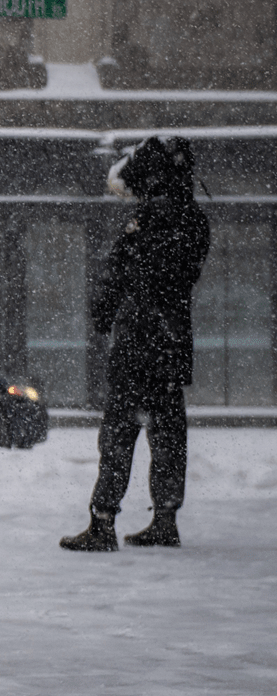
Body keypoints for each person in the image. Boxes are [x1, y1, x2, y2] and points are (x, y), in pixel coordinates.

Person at [62, 137, 210, 552]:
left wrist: (103, 312)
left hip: (137, 339)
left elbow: (117, 275)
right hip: (172, 337)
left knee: (119, 431)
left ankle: (103, 521)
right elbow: (184, 274)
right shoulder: (195, 219)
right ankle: (165, 518)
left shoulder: (147, 219)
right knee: (167, 430)